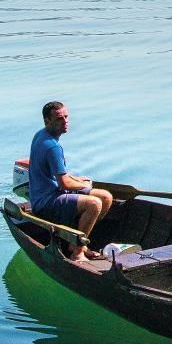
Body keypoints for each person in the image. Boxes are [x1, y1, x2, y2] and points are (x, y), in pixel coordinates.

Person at [28, 101, 114, 261]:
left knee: (106, 197)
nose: (65, 121)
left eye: (66, 117)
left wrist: (77, 179)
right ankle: (77, 252)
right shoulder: (51, 147)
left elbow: (62, 175)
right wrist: (84, 185)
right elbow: (64, 184)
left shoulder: (41, 135)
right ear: (47, 121)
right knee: (94, 204)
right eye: (60, 118)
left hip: (54, 192)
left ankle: (78, 241)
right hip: (46, 201)